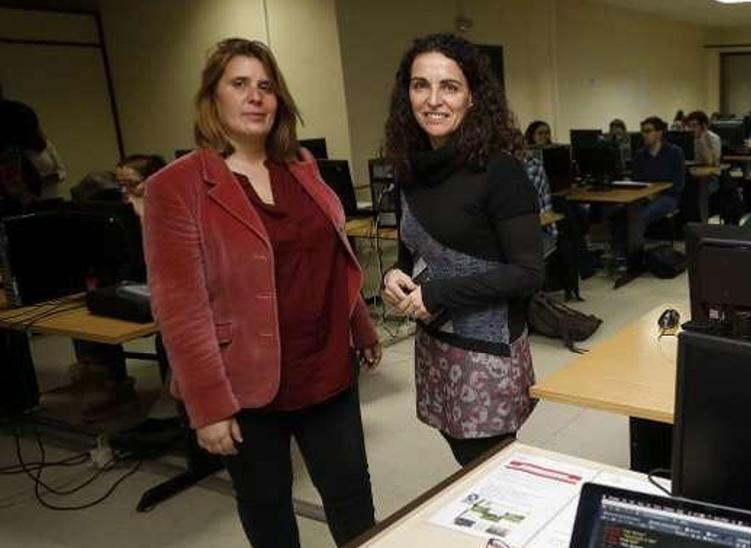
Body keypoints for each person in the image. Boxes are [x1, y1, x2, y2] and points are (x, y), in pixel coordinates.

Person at [145, 38, 381, 548]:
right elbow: (180, 308)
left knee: (352, 500)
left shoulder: (301, 167)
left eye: (266, 86)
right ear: (213, 98)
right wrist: (207, 407)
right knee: (268, 509)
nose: (256, 97)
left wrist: (360, 326)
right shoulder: (177, 186)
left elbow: (329, 261)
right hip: (245, 386)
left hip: (328, 369)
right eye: (240, 84)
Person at [380, 33, 544, 466]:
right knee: (467, 467)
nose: (434, 100)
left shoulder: (501, 171)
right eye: (421, 85)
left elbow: (529, 272)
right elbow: (413, 254)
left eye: (449, 86)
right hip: (435, 343)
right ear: (407, 95)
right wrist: (395, 277)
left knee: (491, 472)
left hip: (485, 353)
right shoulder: (409, 169)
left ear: (473, 98)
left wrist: (435, 294)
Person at [68, 154, 167, 421]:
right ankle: (110, 385)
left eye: (132, 184)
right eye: (119, 185)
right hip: (136, 286)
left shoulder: (171, 212)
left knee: (168, 336)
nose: (124, 193)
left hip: (167, 290)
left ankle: (172, 403)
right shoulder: (119, 215)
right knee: (90, 318)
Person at [610, 116, 686, 261]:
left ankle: (634, 257)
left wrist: (656, 194)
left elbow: (679, 184)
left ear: (659, 133)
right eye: (643, 131)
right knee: (616, 213)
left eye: (648, 131)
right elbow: (637, 181)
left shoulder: (675, 152)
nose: (644, 135)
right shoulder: (639, 155)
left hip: (668, 198)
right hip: (644, 197)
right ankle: (619, 252)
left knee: (640, 216)